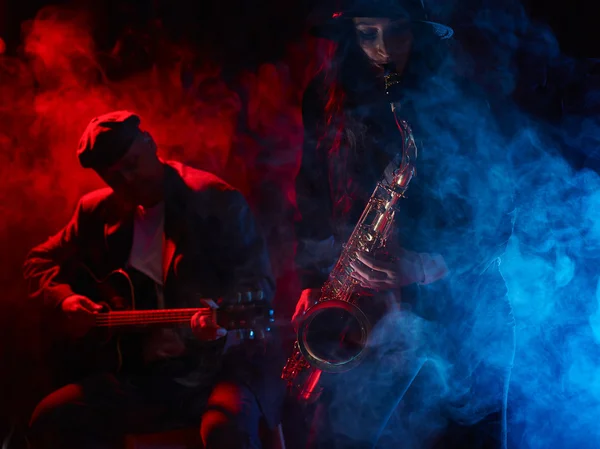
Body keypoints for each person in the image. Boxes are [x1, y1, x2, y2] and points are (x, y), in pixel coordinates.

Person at [291, 1, 516, 448]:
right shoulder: (324, 97)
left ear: (419, 36)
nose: (382, 50)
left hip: (462, 318)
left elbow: (500, 215)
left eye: (396, 33)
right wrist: (314, 281)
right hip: (370, 319)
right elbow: (313, 197)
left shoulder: (462, 103)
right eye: (367, 34)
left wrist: (427, 265)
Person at [24, 110, 284, 449]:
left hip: (221, 368)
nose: (129, 180)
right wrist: (65, 299)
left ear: (149, 143)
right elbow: (37, 261)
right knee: (50, 418)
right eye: (115, 176)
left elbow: (257, 284)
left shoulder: (214, 200)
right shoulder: (96, 211)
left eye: (133, 164)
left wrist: (217, 326)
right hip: (147, 377)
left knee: (225, 431)